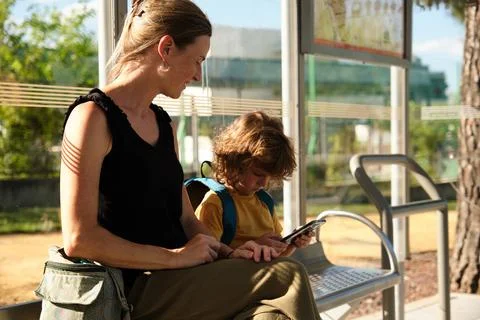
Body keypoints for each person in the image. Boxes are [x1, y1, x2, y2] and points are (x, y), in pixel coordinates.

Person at [60, 0, 321, 319]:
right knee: (288, 275)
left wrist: (231, 252)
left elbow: (186, 219)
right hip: (133, 289)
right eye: (197, 60)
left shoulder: (163, 125)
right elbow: (79, 239)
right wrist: (175, 257)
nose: (198, 75)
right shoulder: (91, 119)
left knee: (272, 318)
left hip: (183, 279)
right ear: (166, 48)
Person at [195, 111, 313, 257]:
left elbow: (276, 255)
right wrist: (255, 247)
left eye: (269, 176)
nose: (264, 182)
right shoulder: (215, 204)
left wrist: (291, 243)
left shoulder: (264, 202)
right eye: (258, 174)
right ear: (235, 162)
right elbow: (208, 260)